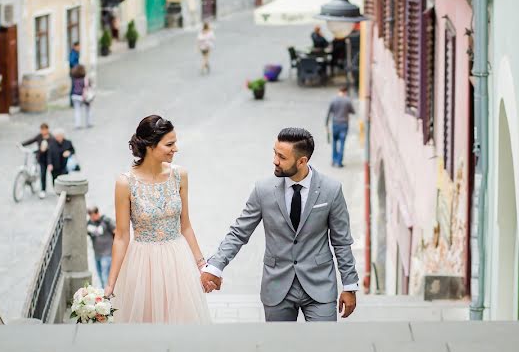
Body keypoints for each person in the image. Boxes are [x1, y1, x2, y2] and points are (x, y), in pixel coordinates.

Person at [201, 128, 358, 321]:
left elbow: (341, 241)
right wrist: (215, 266)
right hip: (277, 286)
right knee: (278, 349)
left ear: (302, 161)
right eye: (275, 152)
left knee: (323, 347)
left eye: (282, 157)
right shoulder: (263, 190)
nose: (275, 160)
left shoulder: (331, 190)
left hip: (320, 285)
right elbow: (239, 232)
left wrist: (350, 285)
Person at [104, 115, 211, 323]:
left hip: (177, 262)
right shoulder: (125, 183)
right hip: (142, 263)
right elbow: (122, 236)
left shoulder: (180, 175)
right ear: (150, 146)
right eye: (169, 144)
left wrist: (202, 265)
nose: (176, 149)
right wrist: (111, 283)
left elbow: (186, 225)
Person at [326, 86, 355, 168]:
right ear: (345, 92)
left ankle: (333, 160)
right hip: (344, 125)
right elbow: (353, 111)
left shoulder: (333, 100)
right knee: (342, 143)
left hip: (335, 124)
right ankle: (339, 162)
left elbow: (329, 112)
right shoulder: (347, 100)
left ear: (339, 91)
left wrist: (326, 123)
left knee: (334, 142)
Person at [21, 123, 53, 199]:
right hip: (41, 158)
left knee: (53, 174)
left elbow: (51, 151)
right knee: (43, 174)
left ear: (47, 130)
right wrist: (22, 144)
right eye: (42, 130)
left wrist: (50, 163)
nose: (43, 131)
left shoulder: (51, 138)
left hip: (50, 160)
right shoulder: (39, 136)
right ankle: (43, 190)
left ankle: (55, 187)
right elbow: (31, 140)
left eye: (44, 130)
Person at [87, 206, 116, 289]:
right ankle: (104, 294)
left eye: (92, 215)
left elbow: (116, 231)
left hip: (107, 253)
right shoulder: (89, 223)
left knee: (105, 276)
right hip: (97, 254)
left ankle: (107, 296)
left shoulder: (106, 221)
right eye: (90, 216)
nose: (91, 218)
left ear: (97, 213)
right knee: (100, 275)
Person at [70, 65, 93, 129]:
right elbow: (89, 87)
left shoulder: (74, 79)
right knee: (88, 109)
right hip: (84, 96)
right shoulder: (85, 79)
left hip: (75, 96)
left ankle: (78, 125)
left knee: (77, 111)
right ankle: (89, 123)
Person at [68, 41, 80, 107]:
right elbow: (71, 62)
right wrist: (76, 66)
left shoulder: (76, 52)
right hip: (73, 72)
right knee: (73, 87)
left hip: (75, 72)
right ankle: (72, 102)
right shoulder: (73, 53)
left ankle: (74, 102)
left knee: (75, 86)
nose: (79, 48)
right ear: (75, 46)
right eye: (78, 46)